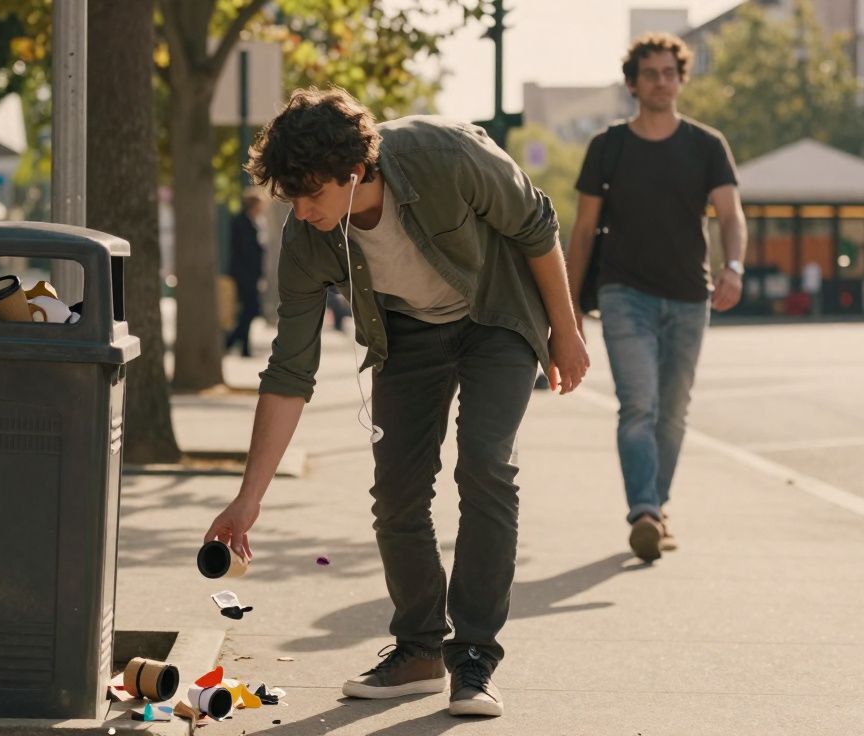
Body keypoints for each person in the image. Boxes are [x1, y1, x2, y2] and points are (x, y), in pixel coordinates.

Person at [203, 87, 589, 719]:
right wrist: (249, 500)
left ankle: (473, 661)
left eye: (311, 194)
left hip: (496, 315)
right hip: (409, 333)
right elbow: (290, 369)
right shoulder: (307, 237)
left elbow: (534, 222)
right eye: (290, 197)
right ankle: (418, 651)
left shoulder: (447, 154)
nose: (300, 212)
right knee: (399, 495)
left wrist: (566, 332)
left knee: (486, 465)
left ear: (354, 173)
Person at [566, 33, 745, 562]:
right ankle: (644, 509)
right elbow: (582, 232)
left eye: (670, 73)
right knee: (638, 406)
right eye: (650, 74)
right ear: (632, 83)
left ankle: (657, 508)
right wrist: (569, 304)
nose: (661, 82)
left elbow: (732, 215)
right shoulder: (608, 147)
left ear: (680, 79)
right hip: (625, 294)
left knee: (673, 412)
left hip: (691, 295)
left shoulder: (707, 145)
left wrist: (733, 266)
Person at [224, 188, 268, 356]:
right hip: (244, 275)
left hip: (251, 274)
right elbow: (247, 250)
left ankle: (244, 348)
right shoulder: (241, 222)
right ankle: (230, 342)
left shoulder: (254, 222)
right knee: (250, 310)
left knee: (249, 311)